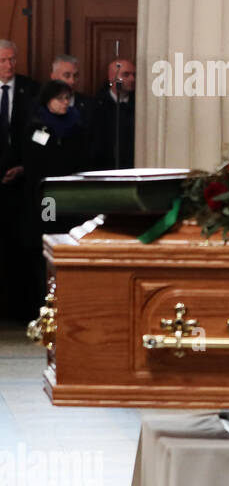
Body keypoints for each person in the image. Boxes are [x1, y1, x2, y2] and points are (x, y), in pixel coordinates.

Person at [10, 80, 93, 318]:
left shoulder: (77, 125)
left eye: (68, 99)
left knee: (70, 241)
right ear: (48, 101)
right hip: (48, 198)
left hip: (72, 196)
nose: (66, 104)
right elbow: (35, 163)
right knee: (48, 239)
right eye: (60, 99)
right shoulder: (38, 127)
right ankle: (45, 303)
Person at [0, 39, 39, 322]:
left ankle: (21, 309)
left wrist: (24, 166)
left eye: (12, 59)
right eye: (3, 60)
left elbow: (38, 134)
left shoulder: (31, 89)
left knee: (20, 247)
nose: (9, 65)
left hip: (22, 182)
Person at [91, 57, 136, 169]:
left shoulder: (139, 104)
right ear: (112, 77)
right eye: (126, 75)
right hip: (104, 168)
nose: (132, 79)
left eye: (134, 75)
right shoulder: (97, 105)